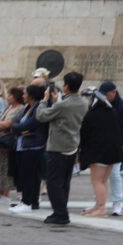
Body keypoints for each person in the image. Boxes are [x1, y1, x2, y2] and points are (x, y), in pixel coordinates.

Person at [35, 71, 87, 225]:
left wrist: (44, 100)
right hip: (73, 144)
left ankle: (60, 214)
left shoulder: (64, 104)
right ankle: (61, 210)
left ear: (66, 86)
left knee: (53, 182)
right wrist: (58, 101)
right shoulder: (83, 102)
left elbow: (42, 116)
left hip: (58, 146)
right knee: (64, 182)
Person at [78, 85, 123, 217]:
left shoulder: (93, 114)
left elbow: (84, 134)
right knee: (103, 181)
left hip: (99, 153)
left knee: (97, 181)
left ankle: (101, 208)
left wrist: (81, 151)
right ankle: (99, 205)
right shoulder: (111, 111)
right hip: (112, 152)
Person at [10, 84, 49, 213]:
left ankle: (27, 202)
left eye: (25, 93)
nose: (23, 95)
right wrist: (19, 130)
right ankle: (29, 201)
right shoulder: (27, 107)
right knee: (25, 174)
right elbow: (15, 123)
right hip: (22, 145)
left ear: (31, 96)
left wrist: (19, 127)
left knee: (30, 175)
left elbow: (29, 124)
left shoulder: (38, 107)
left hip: (33, 145)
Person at [98, 81, 123, 215]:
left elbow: (122, 131)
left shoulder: (122, 107)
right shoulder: (101, 103)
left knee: (114, 175)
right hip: (102, 144)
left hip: (115, 146)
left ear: (113, 92)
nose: (104, 97)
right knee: (99, 177)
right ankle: (99, 203)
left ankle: (117, 204)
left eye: (106, 94)